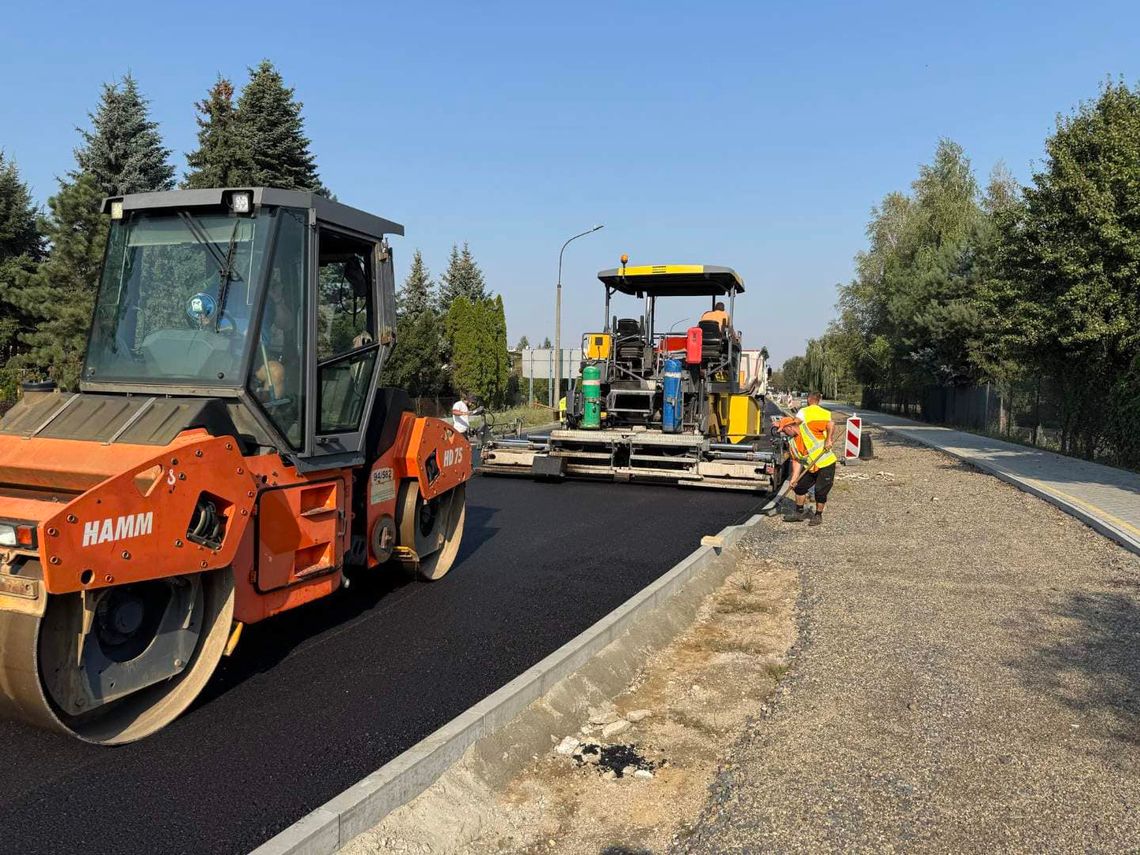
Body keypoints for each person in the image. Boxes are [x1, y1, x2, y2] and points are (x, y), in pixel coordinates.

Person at [774, 391, 838, 526]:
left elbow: (831, 424)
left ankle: (818, 515)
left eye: (784, 430)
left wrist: (829, 440)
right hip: (810, 466)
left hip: (825, 463)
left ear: (790, 426)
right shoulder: (792, 442)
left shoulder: (810, 426)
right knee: (800, 487)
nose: (784, 434)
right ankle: (799, 512)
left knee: (820, 491)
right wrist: (794, 478)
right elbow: (797, 460)